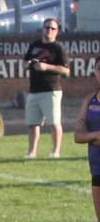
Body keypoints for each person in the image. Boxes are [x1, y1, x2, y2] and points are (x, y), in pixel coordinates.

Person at [24, 18, 70, 159]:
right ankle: (32, 152)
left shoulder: (58, 48)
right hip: (34, 90)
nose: (49, 30)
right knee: (32, 124)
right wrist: (28, 64)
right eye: (46, 27)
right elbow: (25, 62)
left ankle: (55, 152)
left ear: (57, 31)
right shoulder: (34, 45)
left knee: (54, 122)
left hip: (51, 90)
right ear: (42, 29)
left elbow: (66, 71)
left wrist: (47, 67)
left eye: (52, 28)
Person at [74, 57, 100, 222]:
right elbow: (77, 136)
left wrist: (88, 135)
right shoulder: (89, 100)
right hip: (97, 169)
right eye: (99, 69)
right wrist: (96, 134)